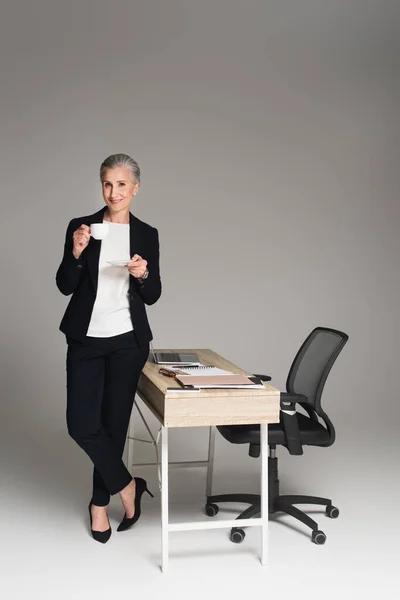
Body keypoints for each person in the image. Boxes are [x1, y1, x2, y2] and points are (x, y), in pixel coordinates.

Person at [56, 153, 161, 543]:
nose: (112, 192)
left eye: (120, 184)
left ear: (135, 188)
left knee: (114, 427)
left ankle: (99, 506)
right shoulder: (81, 227)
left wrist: (144, 273)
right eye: (106, 183)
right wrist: (76, 253)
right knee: (82, 425)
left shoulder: (147, 234)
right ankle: (127, 485)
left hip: (127, 342)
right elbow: (65, 285)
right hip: (86, 338)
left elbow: (154, 294)